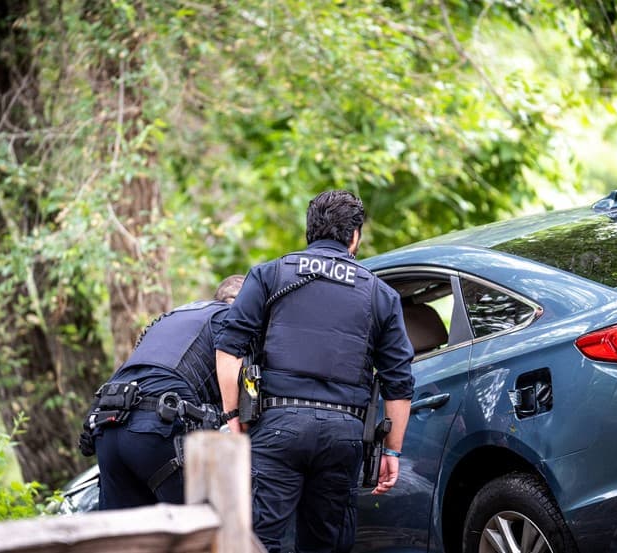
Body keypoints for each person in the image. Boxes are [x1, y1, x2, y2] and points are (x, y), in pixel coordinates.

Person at [214, 190, 415, 553]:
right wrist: (393, 452)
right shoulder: (380, 295)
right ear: (354, 237)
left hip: (276, 427)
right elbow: (398, 382)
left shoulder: (270, 274)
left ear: (309, 231)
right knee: (327, 544)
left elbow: (229, 348)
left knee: (256, 541)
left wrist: (232, 418)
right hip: (343, 434)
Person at [89, 274, 244, 509]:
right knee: (206, 524)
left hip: (107, 428)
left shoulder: (174, 317)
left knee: (124, 530)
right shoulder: (234, 320)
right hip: (159, 428)